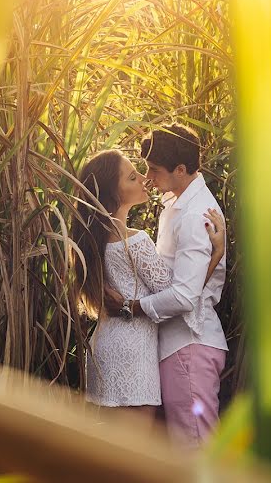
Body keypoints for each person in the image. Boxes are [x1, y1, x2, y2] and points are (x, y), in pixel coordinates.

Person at [71, 149, 225, 421]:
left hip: (103, 346)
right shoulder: (136, 242)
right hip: (133, 352)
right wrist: (216, 256)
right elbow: (178, 294)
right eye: (132, 177)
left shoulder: (93, 240)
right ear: (112, 194)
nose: (144, 179)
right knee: (131, 453)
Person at [104, 124, 228, 448]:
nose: (148, 177)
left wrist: (133, 307)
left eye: (154, 170)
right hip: (177, 346)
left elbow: (185, 296)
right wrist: (215, 255)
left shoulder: (195, 214)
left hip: (189, 345)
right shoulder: (177, 204)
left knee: (195, 452)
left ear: (181, 169)